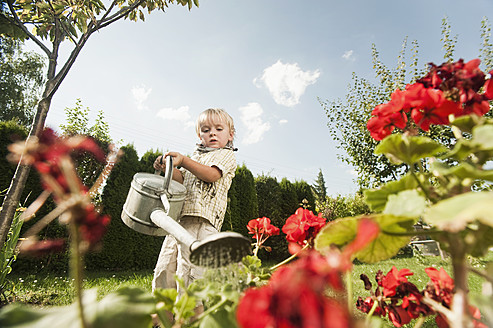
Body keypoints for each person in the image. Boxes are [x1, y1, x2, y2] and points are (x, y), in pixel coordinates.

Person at [151, 108, 237, 303]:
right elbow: (182, 179)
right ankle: (161, 319)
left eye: (218, 129)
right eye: (206, 130)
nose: (212, 133)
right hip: (179, 222)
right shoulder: (196, 158)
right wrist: (168, 168)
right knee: (164, 270)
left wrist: (184, 160)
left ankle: (189, 320)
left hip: (202, 224)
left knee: (189, 275)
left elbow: (211, 175)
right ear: (200, 135)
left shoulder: (225, 155)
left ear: (230, 135)